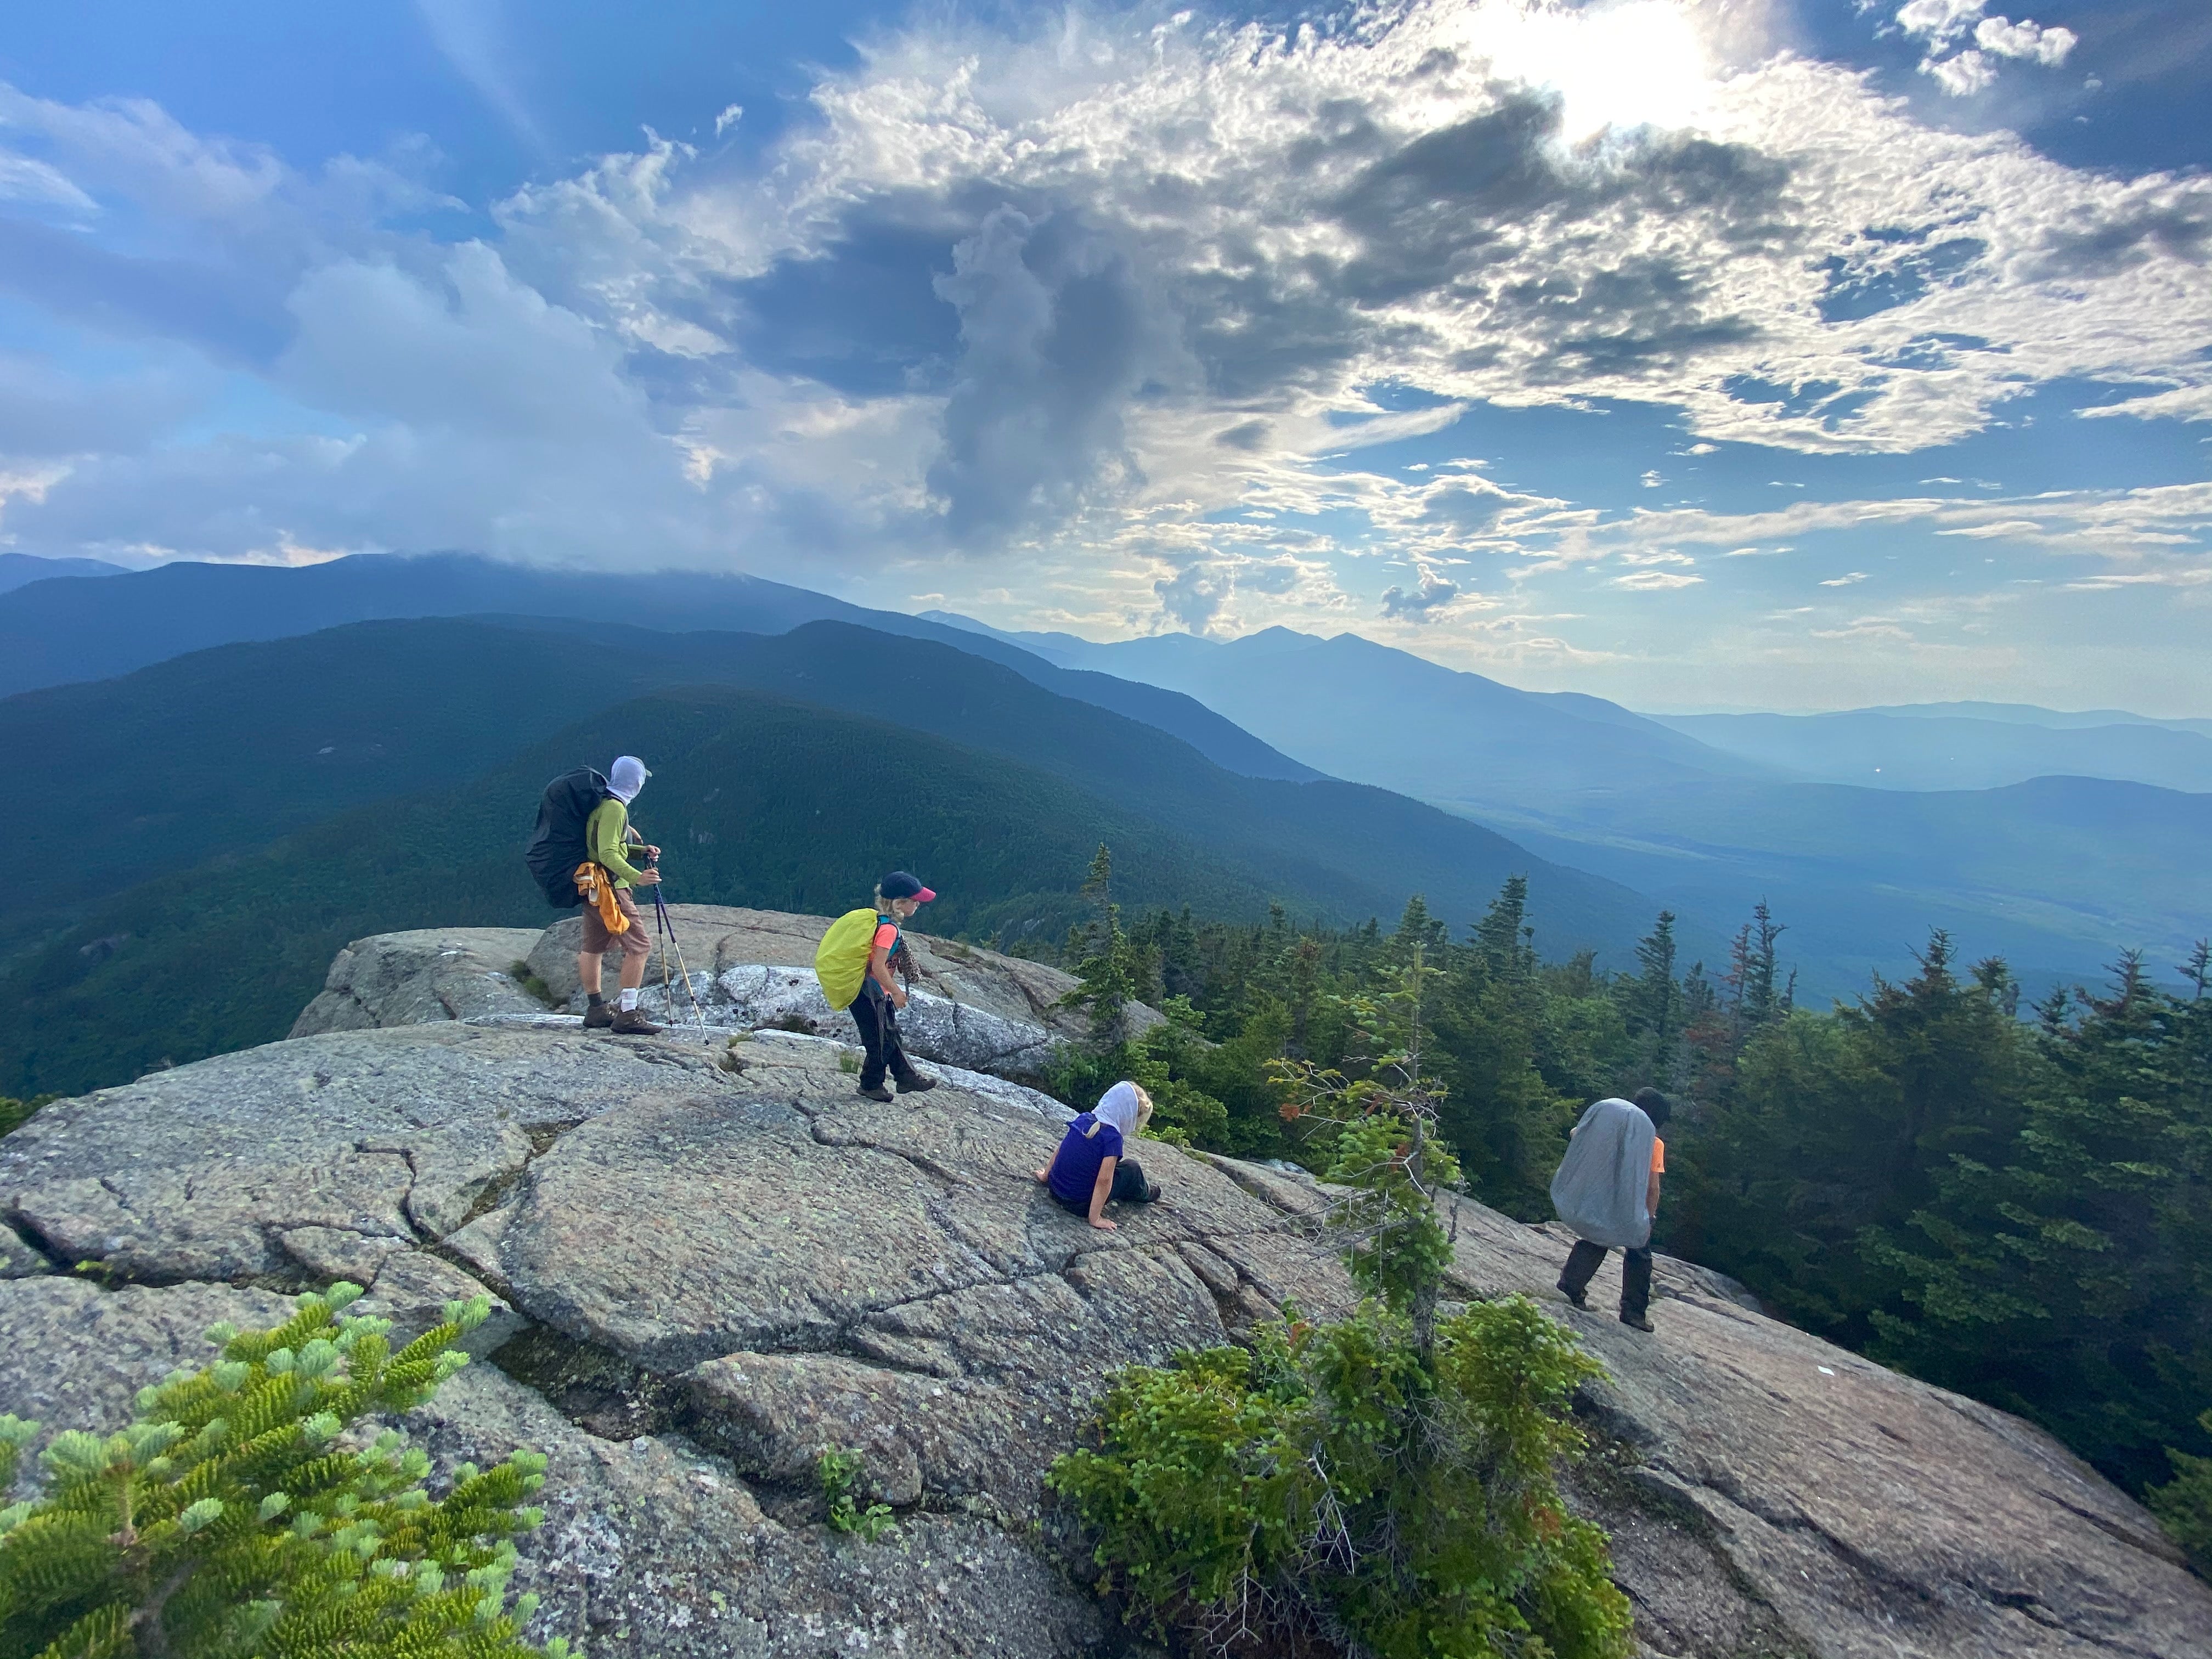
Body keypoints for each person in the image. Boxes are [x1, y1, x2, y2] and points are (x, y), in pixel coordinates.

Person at [1550, 1086, 1671, 1332]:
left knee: (1596, 1240)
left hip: (1604, 1199)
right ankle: (1633, 1313)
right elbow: (1652, 1187)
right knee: (1639, 1254)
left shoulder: (1612, 1128)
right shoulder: (1653, 1142)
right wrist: (1650, 1218)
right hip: (1633, 1207)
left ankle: (1570, 1287)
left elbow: (1576, 1134)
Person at [577, 755, 663, 1036]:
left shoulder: (603, 803)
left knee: (594, 946)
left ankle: (596, 1009)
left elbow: (604, 847)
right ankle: (628, 1014)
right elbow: (607, 853)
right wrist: (638, 877)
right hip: (611, 888)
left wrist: (640, 851)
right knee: (640, 946)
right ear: (635, 782)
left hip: (592, 886)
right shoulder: (615, 809)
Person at [848, 872, 941, 1103]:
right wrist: (897, 993)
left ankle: (905, 1077)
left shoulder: (879, 921)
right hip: (869, 992)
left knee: (888, 1035)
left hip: (871, 991)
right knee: (880, 1040)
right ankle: (871, 1085)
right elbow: (878, 967)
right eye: (915, 901)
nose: (918, 904)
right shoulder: (889, 930)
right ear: (899, 904)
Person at [1035, 1081, 1163, 1230]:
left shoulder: (1084, 1119)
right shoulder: (1112, 1138)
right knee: (1131, 1169)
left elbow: (1061, 1150)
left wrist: (1046, 1176)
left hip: (1055, 1188)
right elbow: (1104, 1180)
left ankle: (1137, 1190)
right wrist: (1095, 1218)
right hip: (1079, 1205)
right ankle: (1147, 1193)